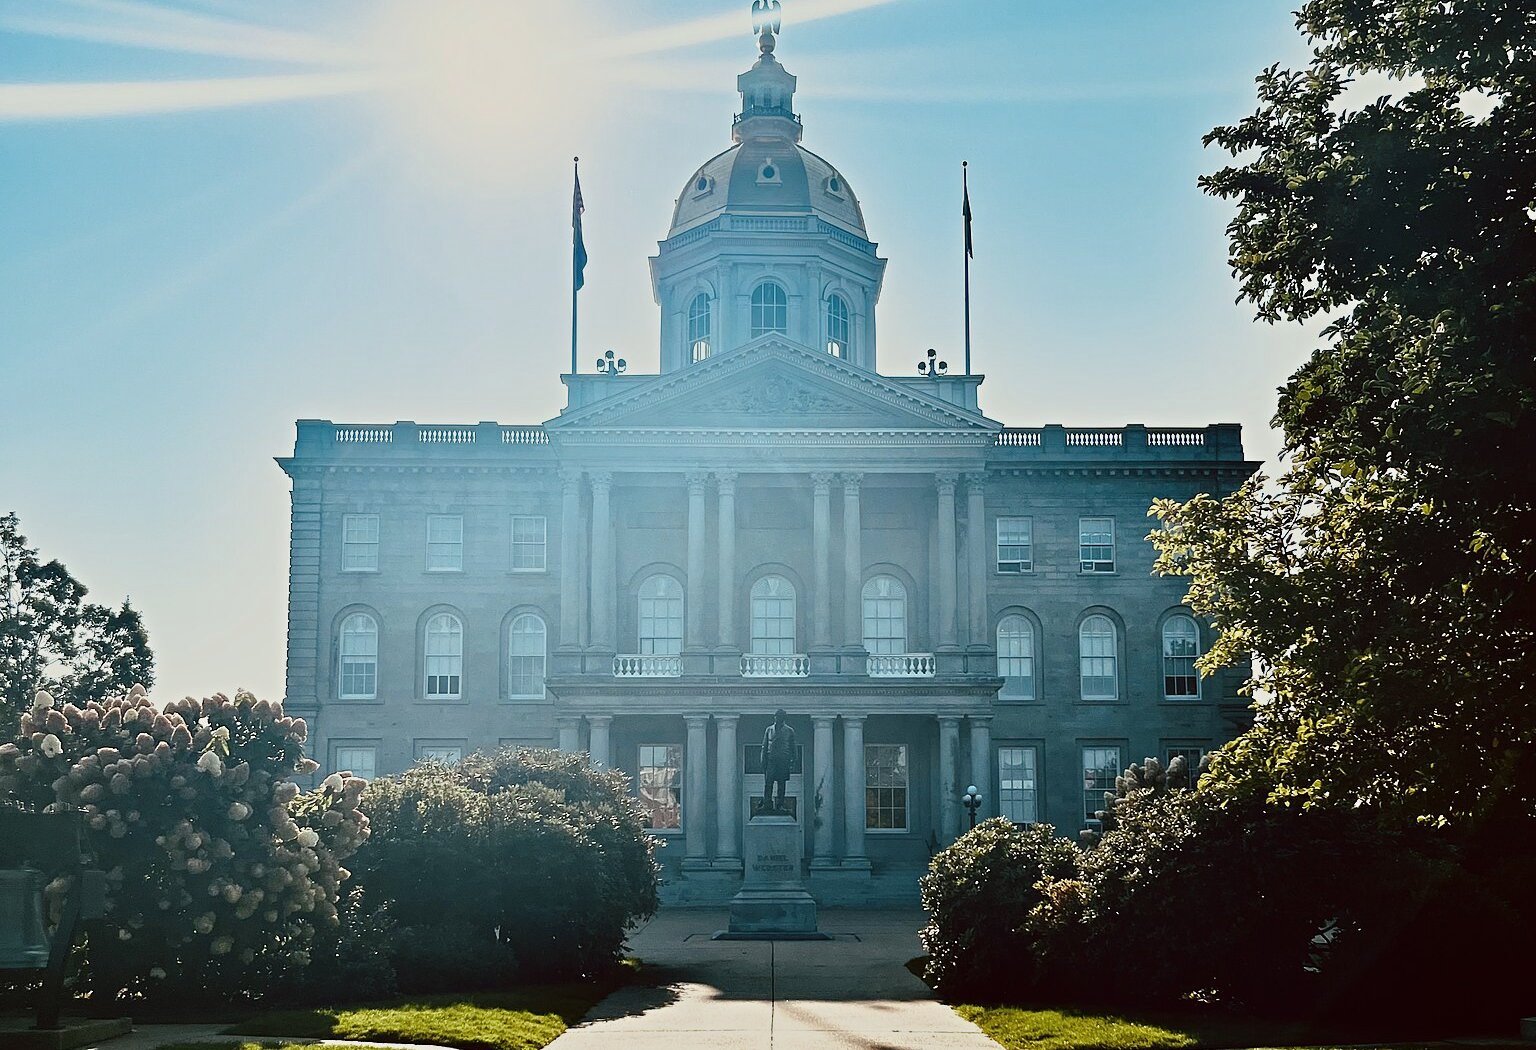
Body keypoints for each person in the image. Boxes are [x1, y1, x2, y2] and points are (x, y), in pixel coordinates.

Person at [761, 708, 796, 814]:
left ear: (783, 718)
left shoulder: (789, 731)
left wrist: (793, 761)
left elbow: (793, 747)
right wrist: (763, 760)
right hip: (771, 759)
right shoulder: (769, 729)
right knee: (768, 783)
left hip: (783, 760)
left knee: (781, 783)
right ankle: (767, 803)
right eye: (776, 716)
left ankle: (780, 804)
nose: (777, 718)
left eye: (779, 716)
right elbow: (764, 745)